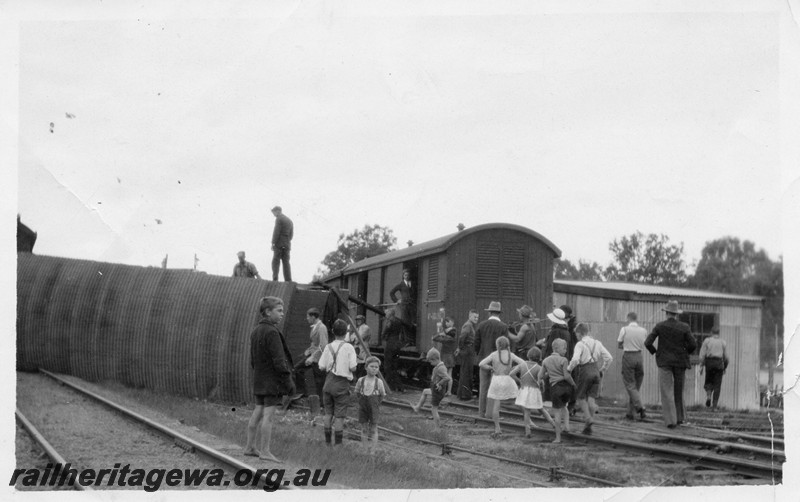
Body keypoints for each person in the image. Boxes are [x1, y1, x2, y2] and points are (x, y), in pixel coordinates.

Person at [244, 296, 294, 462]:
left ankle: (250, 446)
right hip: (272, 381)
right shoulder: (272, 332)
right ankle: (265, 451)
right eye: (279, 311)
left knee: (258, 411)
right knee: (269, 416)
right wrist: (288, 381)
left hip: (259, 378)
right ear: (267, 312)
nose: (282, 314)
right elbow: (279, 360)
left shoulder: (255, 331)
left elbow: (252, 360)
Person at [644, 300, 697, 428]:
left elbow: (647, 343)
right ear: (676, 314)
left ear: (667, 313)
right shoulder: (684, 327)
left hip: (664, 362)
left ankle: (670, 421)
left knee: (666, 391)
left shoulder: (660, 326)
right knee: (679, 390)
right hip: (680, 362)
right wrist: (686, 353)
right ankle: (680, 418)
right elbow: (693, 345)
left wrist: (656, 352)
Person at [567, 323, 612, 435]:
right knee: (591, 400)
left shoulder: (580, 344)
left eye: (576, 334)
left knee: (581, 397)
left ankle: (588, 418)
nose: (576, 336)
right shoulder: (598, 343)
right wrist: (603, 369)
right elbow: (609, 358)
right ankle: (588, 428)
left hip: (585, 371)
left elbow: (576, 359)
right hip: (596, 371)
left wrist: (569, 369)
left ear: (579, 333)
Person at [318, 319, 358, 445]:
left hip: (328, 382)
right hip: (342, 384)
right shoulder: (349, 347)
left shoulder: (328, 347)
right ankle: (338, 444)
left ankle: (328, 442)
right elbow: (353, 368)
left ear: (332, 331)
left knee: (328, 413)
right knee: (339, 416)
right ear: (346, 332)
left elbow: (321, 366)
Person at [479, 336, 524, 438]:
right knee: (519, 402)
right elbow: (523, 363)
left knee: (496, 406)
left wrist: (490, 367)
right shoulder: (510, 355)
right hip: (508, 380)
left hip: (496, 381)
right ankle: (528, 423)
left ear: (497, 345)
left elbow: (481, 364)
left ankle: (497, 428)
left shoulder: (494, 355)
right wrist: (514, 369)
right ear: (507, 345)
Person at [510, 346, 556, 437]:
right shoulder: (538, 368)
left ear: (528, 355)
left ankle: (528, 431)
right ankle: (554, 424)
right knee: (541, 409)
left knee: (527, 411)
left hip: (524, 390)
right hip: (535, 391)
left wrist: (519, 381)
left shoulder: (522, 365)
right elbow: (541, 377)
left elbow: (511, 374)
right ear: (539, 358)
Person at [474, 301, 510, 418]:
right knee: (495, 388)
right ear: (499, 313)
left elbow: (476, 343)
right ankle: (492, 414)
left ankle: (481, 413)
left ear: (489, 312)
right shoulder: (503, 327)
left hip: (483, 360)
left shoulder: (481, 325)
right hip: (498, 361)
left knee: (483, 387)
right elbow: (505, 346)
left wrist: (479, 354)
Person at [539, 338, 576, 443]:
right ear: (556, 348)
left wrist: (548, 374)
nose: (565, 350)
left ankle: (558, 438)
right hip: (566, 388)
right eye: (564, 348)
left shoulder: (546, 360)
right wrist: (573, 384)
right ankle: (567, 427)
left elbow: (541, 375)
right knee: (565, 407)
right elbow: (566, 376)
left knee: (557, 413)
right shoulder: (564, 360)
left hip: (555, 388)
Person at [292, 308, 328, 401]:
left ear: (313, 317)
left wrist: (312, 357)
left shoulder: (321, 327)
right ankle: (302, 392)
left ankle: (322, 403)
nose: (307, 319)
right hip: (312, 354)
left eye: (308, 317)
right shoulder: (315, 326)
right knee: (297, 369)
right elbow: (314, 343)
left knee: (319, 380)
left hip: (319, 357)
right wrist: (308, 351)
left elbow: (323, 345)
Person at [617, 312, 648, 420]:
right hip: (639, 356)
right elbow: (645, 343)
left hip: (628, 356)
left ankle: (640, 407)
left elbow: (619, 344)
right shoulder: (644, 331)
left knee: (630, 384)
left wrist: (626, 345)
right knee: (636, 386)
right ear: (637, 318)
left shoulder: (624, 329)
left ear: (628, 318)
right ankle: (630, 413)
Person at [411, 348, 451, 428]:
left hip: (438, 392)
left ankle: (437, 429)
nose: (430, 363)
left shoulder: (440, 368)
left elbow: (447, 378)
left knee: (434, 409)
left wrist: (439, 383)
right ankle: (417, 408)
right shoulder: (439, 366)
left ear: (435, 359)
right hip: (435, 390)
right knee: (425, 391)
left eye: (431, 361)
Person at [355, 355, 386, 447]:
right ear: (366, 367)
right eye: (372, 366)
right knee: (364, 428)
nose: (374, 369)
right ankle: (365, 448)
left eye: (376, 367)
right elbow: (357, 393)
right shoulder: (361, 380)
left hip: (374, 407)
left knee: (373, 428)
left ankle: (373, 450)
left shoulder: (379, 382)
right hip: (363, 407)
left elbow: (382, 395)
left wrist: (376, 403)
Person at [699, 327, 729, 410]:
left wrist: (701, 365)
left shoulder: (707, 341)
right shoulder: (723, 342)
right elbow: (726, 357)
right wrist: (725, 367)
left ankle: (709, 396)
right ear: (718, 333)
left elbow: (702, 355)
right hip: (719, 364)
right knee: (717, 385)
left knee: (708, 381)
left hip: (709, 363)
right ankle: (714, 406)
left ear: (711, 332)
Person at [380, 308, 405, 392]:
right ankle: (399, 386)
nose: (385, 315)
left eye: (386, 313)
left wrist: (383, 337)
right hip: (397, 344)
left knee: (387, 366)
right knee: (394, 366)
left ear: (390, 314)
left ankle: (389, 386)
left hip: (390, 344)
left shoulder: (389, 321)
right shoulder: (399, 321)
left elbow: (385, 332)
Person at [389, 269, 417, 346]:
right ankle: (408, 340)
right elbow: (391, 292)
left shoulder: (412, 283)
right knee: (406, 322)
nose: (407, 276)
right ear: (403, 276)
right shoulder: (400, 285)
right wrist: (397, 300)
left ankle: (412, 340)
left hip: (412, 305)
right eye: (405, 275)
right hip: (404, 305)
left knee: (413, 322)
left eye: (408, 275)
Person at [455, 309, 478, 400]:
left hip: (468, 350)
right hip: (468, 350)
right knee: (467, 372)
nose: (476, 319)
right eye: (474, 317)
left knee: (466, 372)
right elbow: (462, 337)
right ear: (470, 316)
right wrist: (461, 348)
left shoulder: (470, 325)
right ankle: (465, 395)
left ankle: (462, 394)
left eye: (477, 317)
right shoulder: (468, 325)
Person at [432, 316, 457, 395]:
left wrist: (441, 333)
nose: (446, 324)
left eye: (447, 322)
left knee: (443, 375)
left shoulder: (445, 338)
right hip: (451, 358)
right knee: (449, 375)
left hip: (445, 358)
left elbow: (434, 338)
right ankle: (449, 391)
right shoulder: (453, 338)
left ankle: (442, 390)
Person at [270, 206, 294, 282]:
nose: (273, 214)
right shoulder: (290, 220)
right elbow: (291, 235)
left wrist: (273, 243)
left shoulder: (279, 219)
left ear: (277, 211)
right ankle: (288, 280)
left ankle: (275, 279)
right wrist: (286, 241)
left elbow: (276, 232)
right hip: (287, 244)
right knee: (286, 262)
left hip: (279, 244)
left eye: (273, 212)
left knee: (275, 261)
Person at [348, 314, 372, 379]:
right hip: (357, 349)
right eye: (357, 320)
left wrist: (354, 338)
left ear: (363, 320)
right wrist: (354, 338)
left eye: (359, 320)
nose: (358, 321)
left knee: (362, 365)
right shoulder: (357, 328)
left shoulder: (366, 328)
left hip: (363, 349)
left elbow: (358, 339)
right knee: (357, 365)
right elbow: (350, 338)